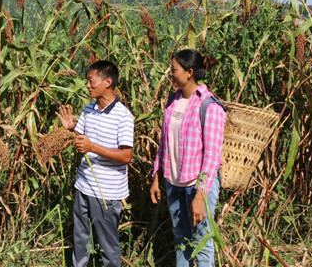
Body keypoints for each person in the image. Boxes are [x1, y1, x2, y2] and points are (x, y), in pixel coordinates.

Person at [150, 49, 226, 267]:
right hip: (173, 182)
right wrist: (157, 175)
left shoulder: (209, 106)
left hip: (197, 186)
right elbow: (164, 141)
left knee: (202, 241)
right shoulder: (173, 100)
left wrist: (200, 195)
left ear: (189, 72)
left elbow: (212, 156)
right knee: (181, 238)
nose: (170, 74)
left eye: (174, 70)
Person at [56, 60, 134, 267]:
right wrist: (72, 130)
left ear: (107, 82)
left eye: (91, 81)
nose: (87, 85)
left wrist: (93, 147)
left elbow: (126, 156)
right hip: (84, 184)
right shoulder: (89, 109)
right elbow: (83, 140)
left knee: (107, 243)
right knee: (80, 236)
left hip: (107, 191)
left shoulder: (123, 117)